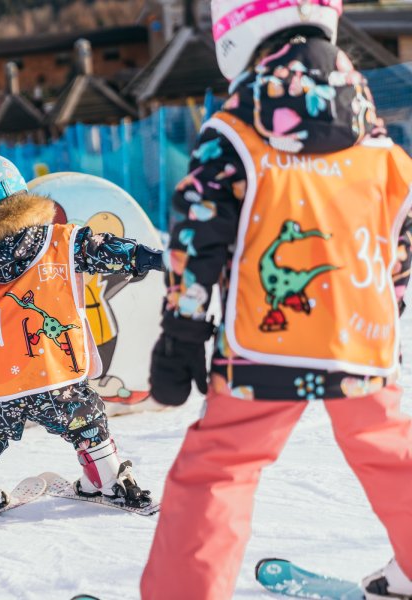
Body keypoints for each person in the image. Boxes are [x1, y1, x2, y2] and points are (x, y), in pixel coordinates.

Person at [140, 1, 412, 598]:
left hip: (265, 337)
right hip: (359, 337)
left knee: (220, 468)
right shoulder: (373, 133)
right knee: (392, 455)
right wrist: (385, 308)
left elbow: (199, 227)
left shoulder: (236, 127)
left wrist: (182, 329)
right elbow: (399, 228)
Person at [0, 154, 164, 525]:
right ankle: (107, 479)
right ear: (21, 196)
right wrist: (147, 257)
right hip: (58, 375)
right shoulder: (62, 241)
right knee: (86, 420)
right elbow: (105, 250)